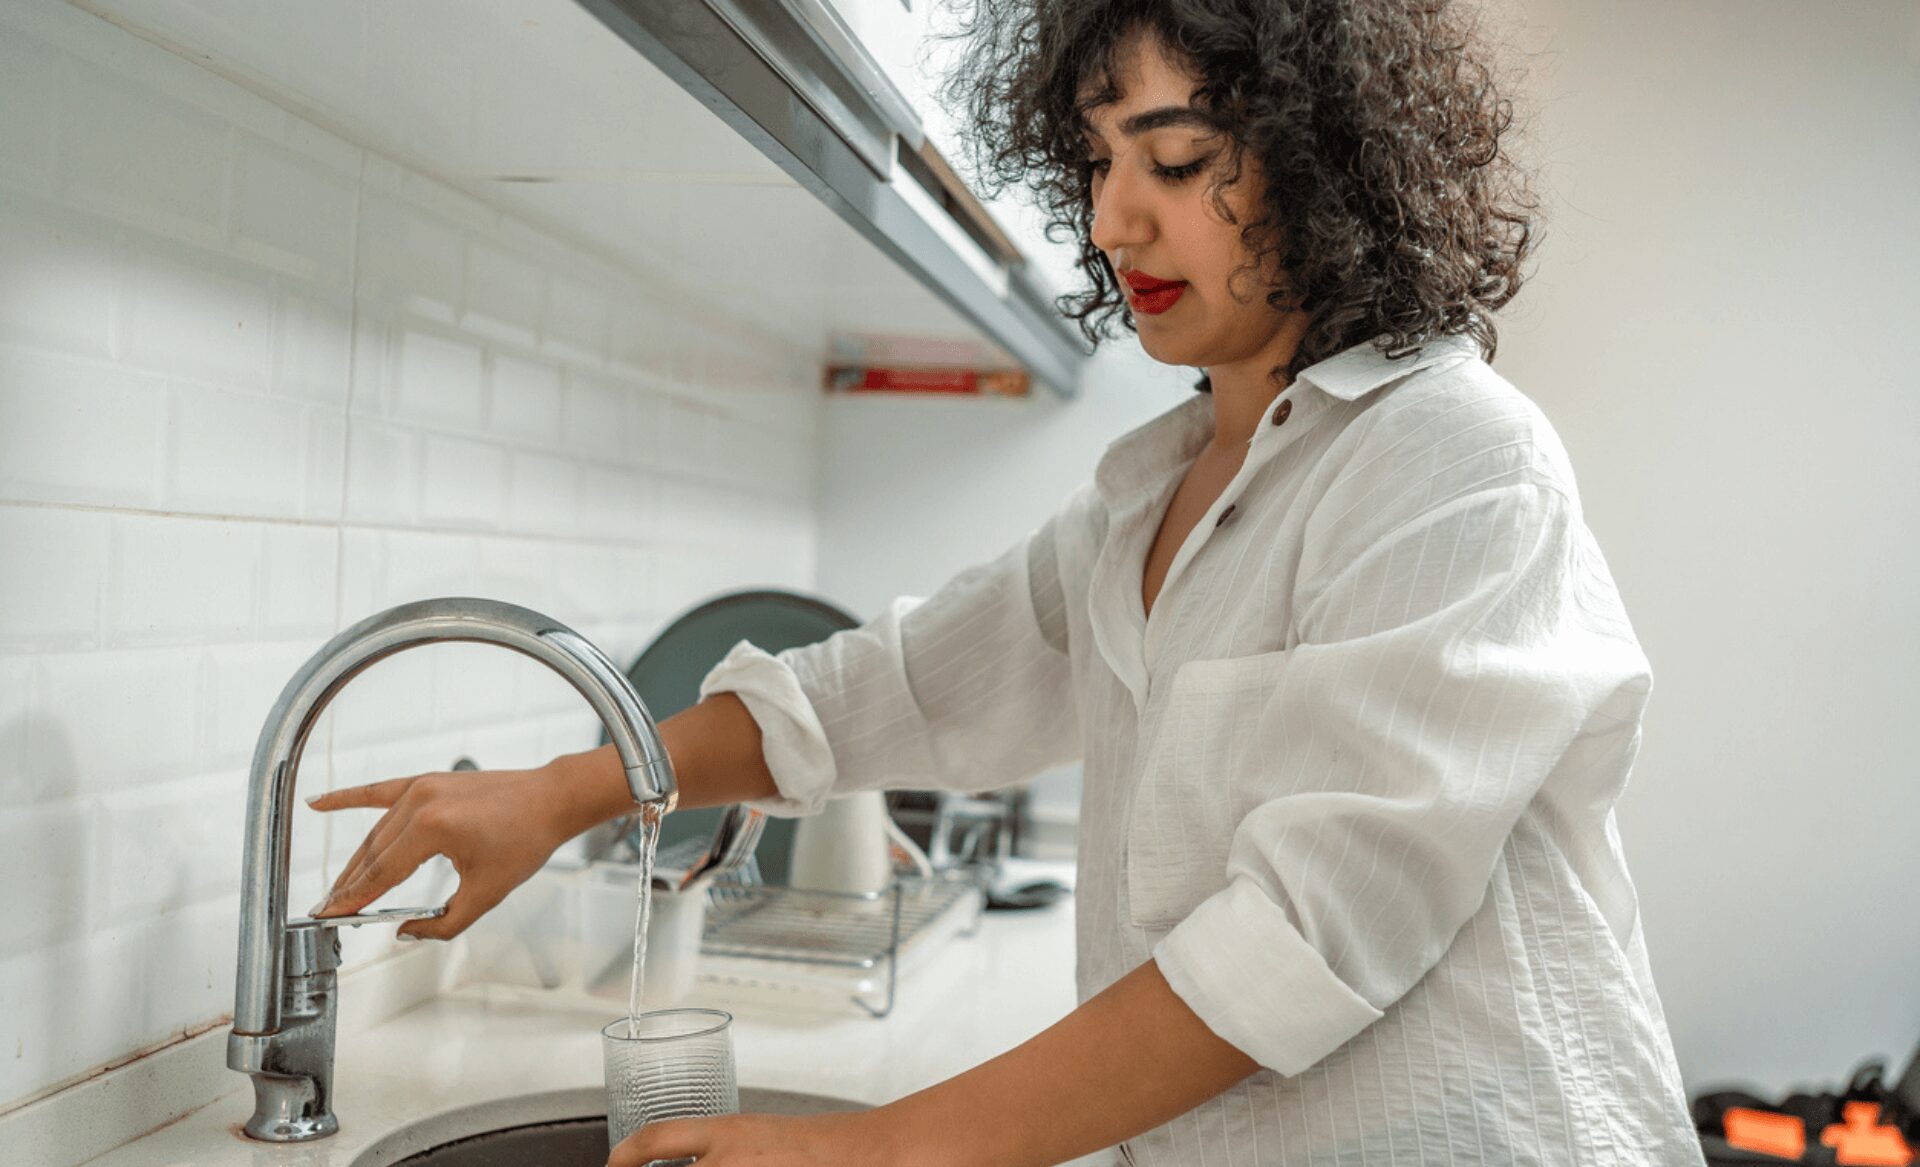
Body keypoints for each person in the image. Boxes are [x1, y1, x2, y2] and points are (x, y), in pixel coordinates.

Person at [311, 1, 1706, 1163]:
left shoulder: (1452, 458)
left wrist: (884, 1149)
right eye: (1096, 162)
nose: (1112, 219)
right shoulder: (1152, 495)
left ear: (1326, 165)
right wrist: (563, 790)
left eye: (1174, 161)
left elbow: (1310, 935)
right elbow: (890, 693)